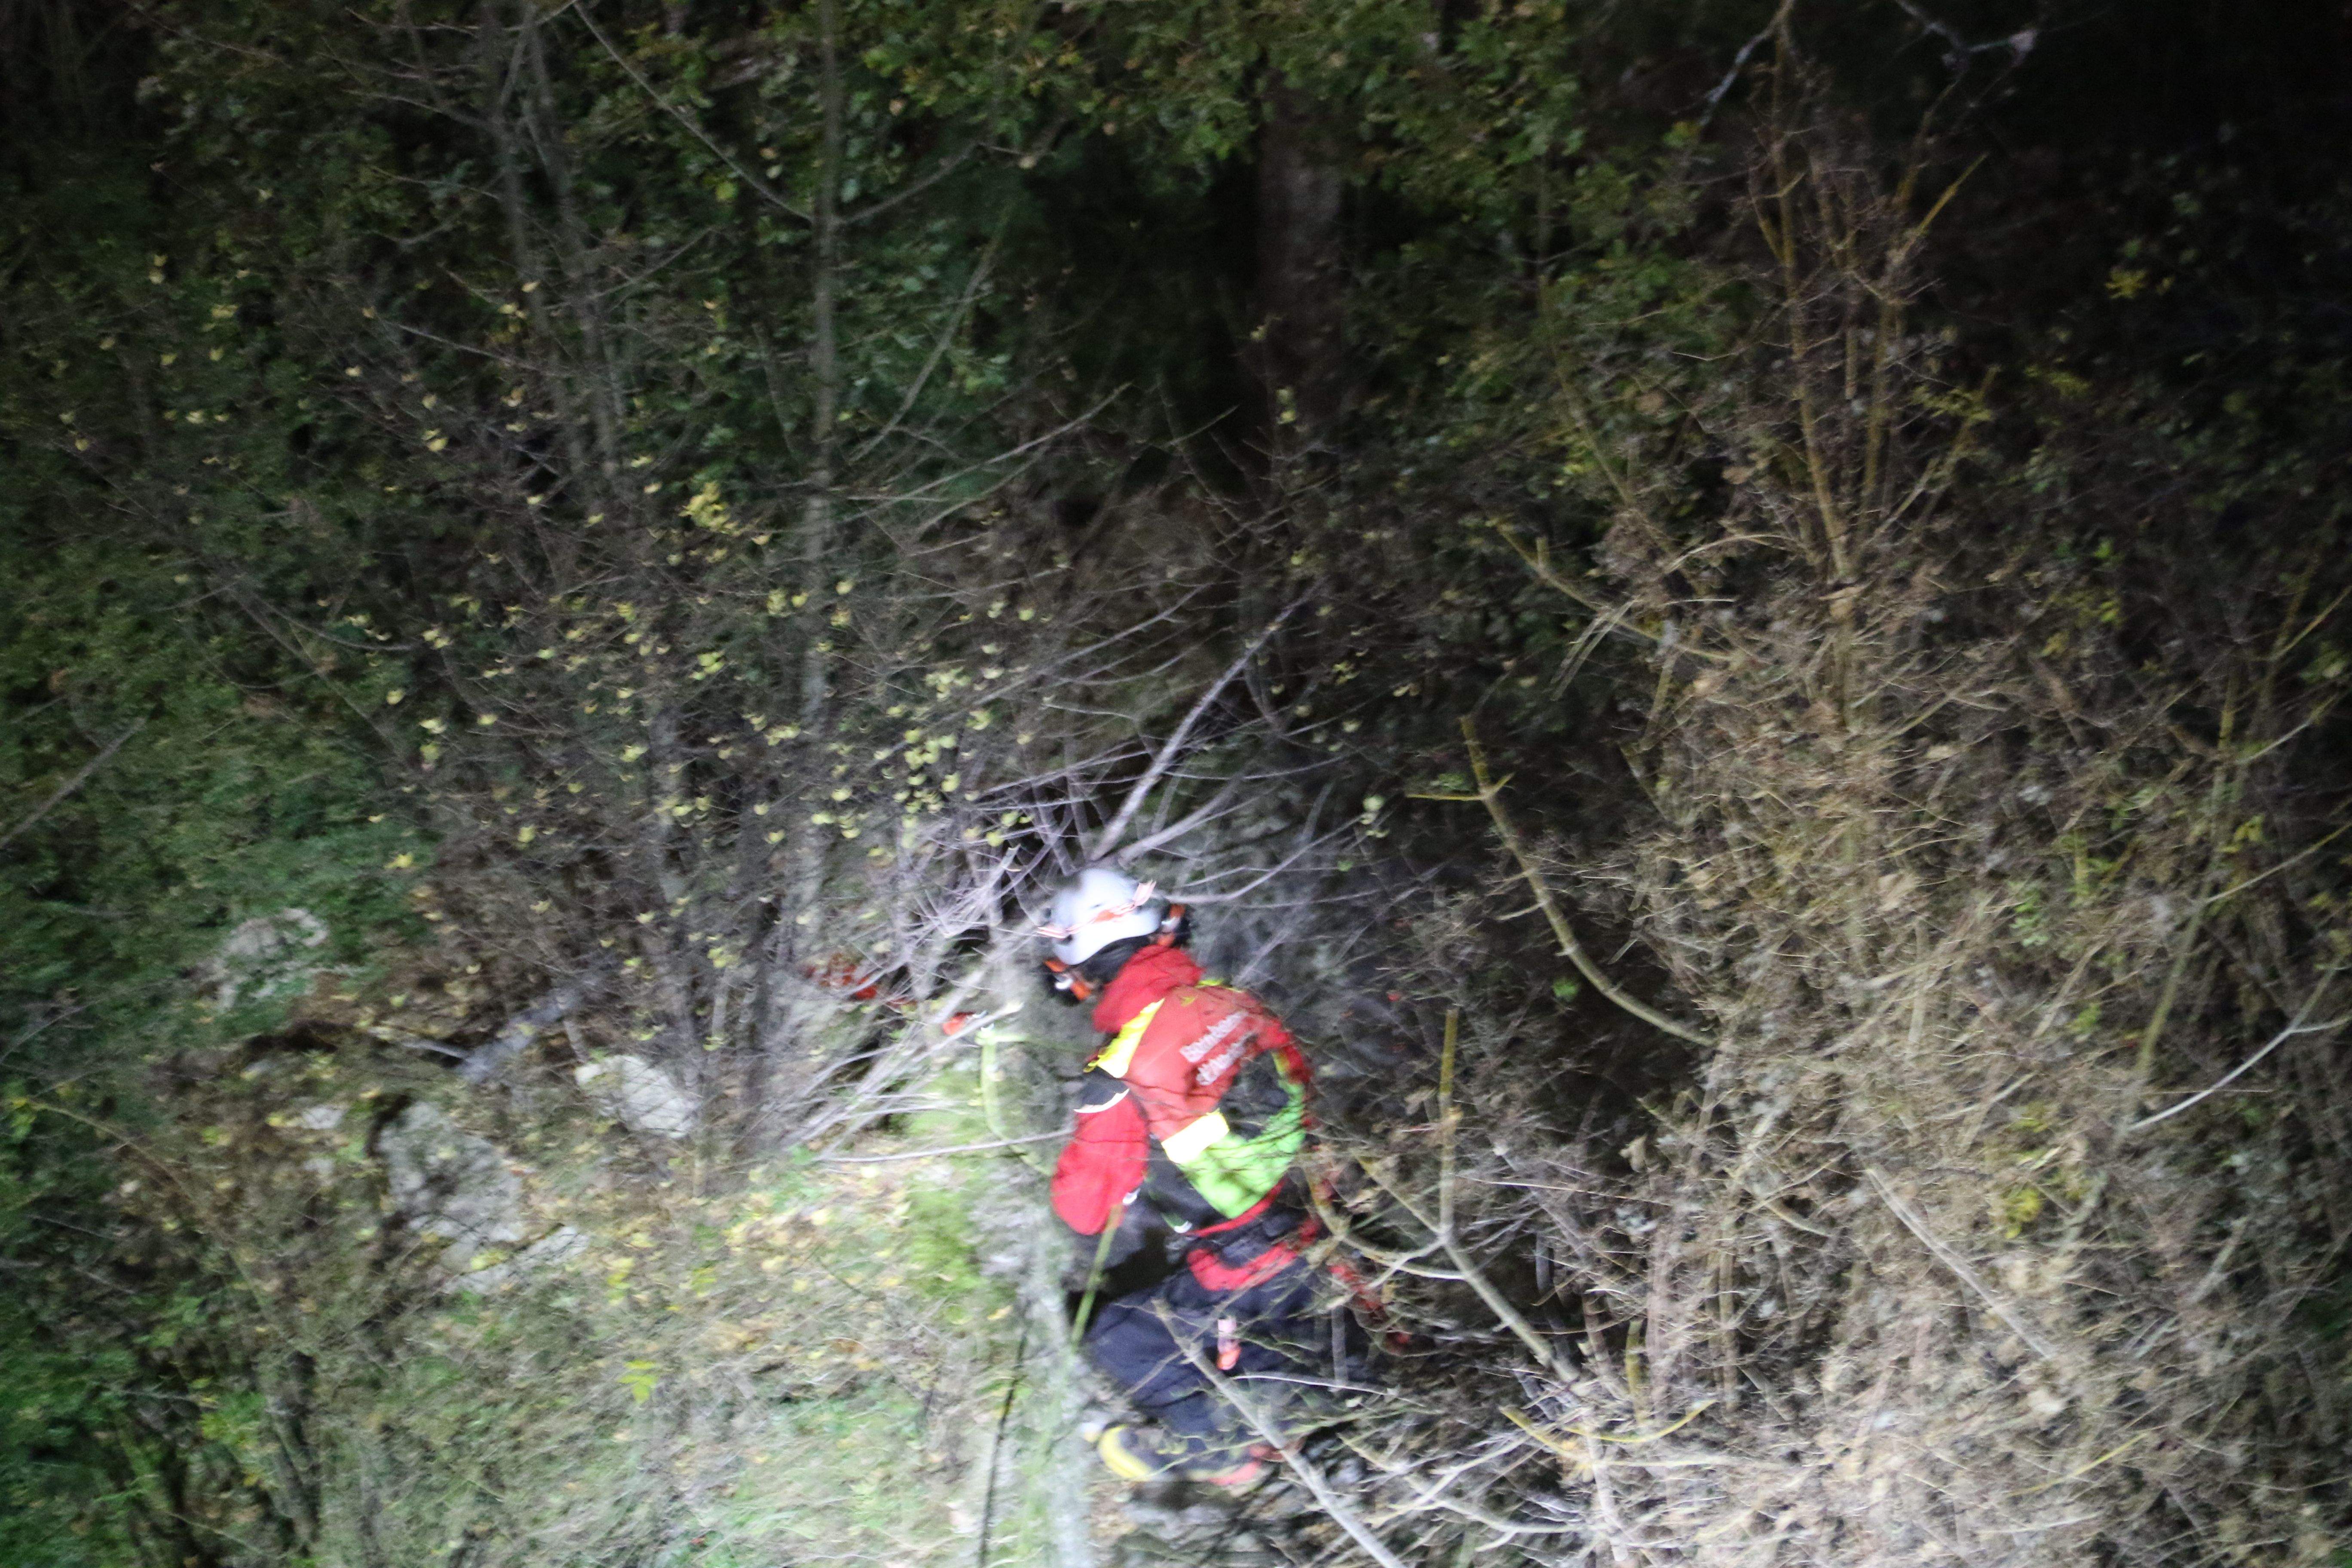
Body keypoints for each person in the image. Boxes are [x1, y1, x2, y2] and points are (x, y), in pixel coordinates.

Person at [1037, 867, 1325, 1487]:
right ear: (1164, 927)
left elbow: (1084, 1210)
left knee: (1114, 1332)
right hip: (1320, 1222)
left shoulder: (1118, 1071)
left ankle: (1221, 1453)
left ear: (1074, 973)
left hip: (1247, 1267)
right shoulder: (1239, 1003)